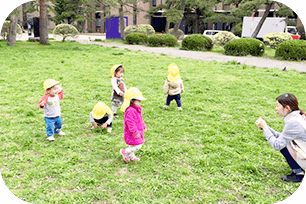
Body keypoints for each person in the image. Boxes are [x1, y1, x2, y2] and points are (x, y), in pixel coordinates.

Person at [255, 93, 306, 182]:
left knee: (283, 146)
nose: (276, 109)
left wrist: (266, 128)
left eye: (278, 106)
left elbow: (277, 145)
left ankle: (298, 173)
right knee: (284, 142)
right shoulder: (298, 116)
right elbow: (283, 137)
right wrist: (265, 127)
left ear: (287, 108)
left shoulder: (292, 123)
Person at [120, 87, 146, 162]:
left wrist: (143, 125)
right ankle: (125, 151)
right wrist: (135, 132)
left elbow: (139, 120)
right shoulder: (130, 111)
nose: (140, 102)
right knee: (138, 145)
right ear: (132, 101)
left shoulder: (137, 109)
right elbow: (130, 123)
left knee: (133, 145)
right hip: (132, 132)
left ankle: (131, 156)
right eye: (138, 100)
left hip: (138, 130)